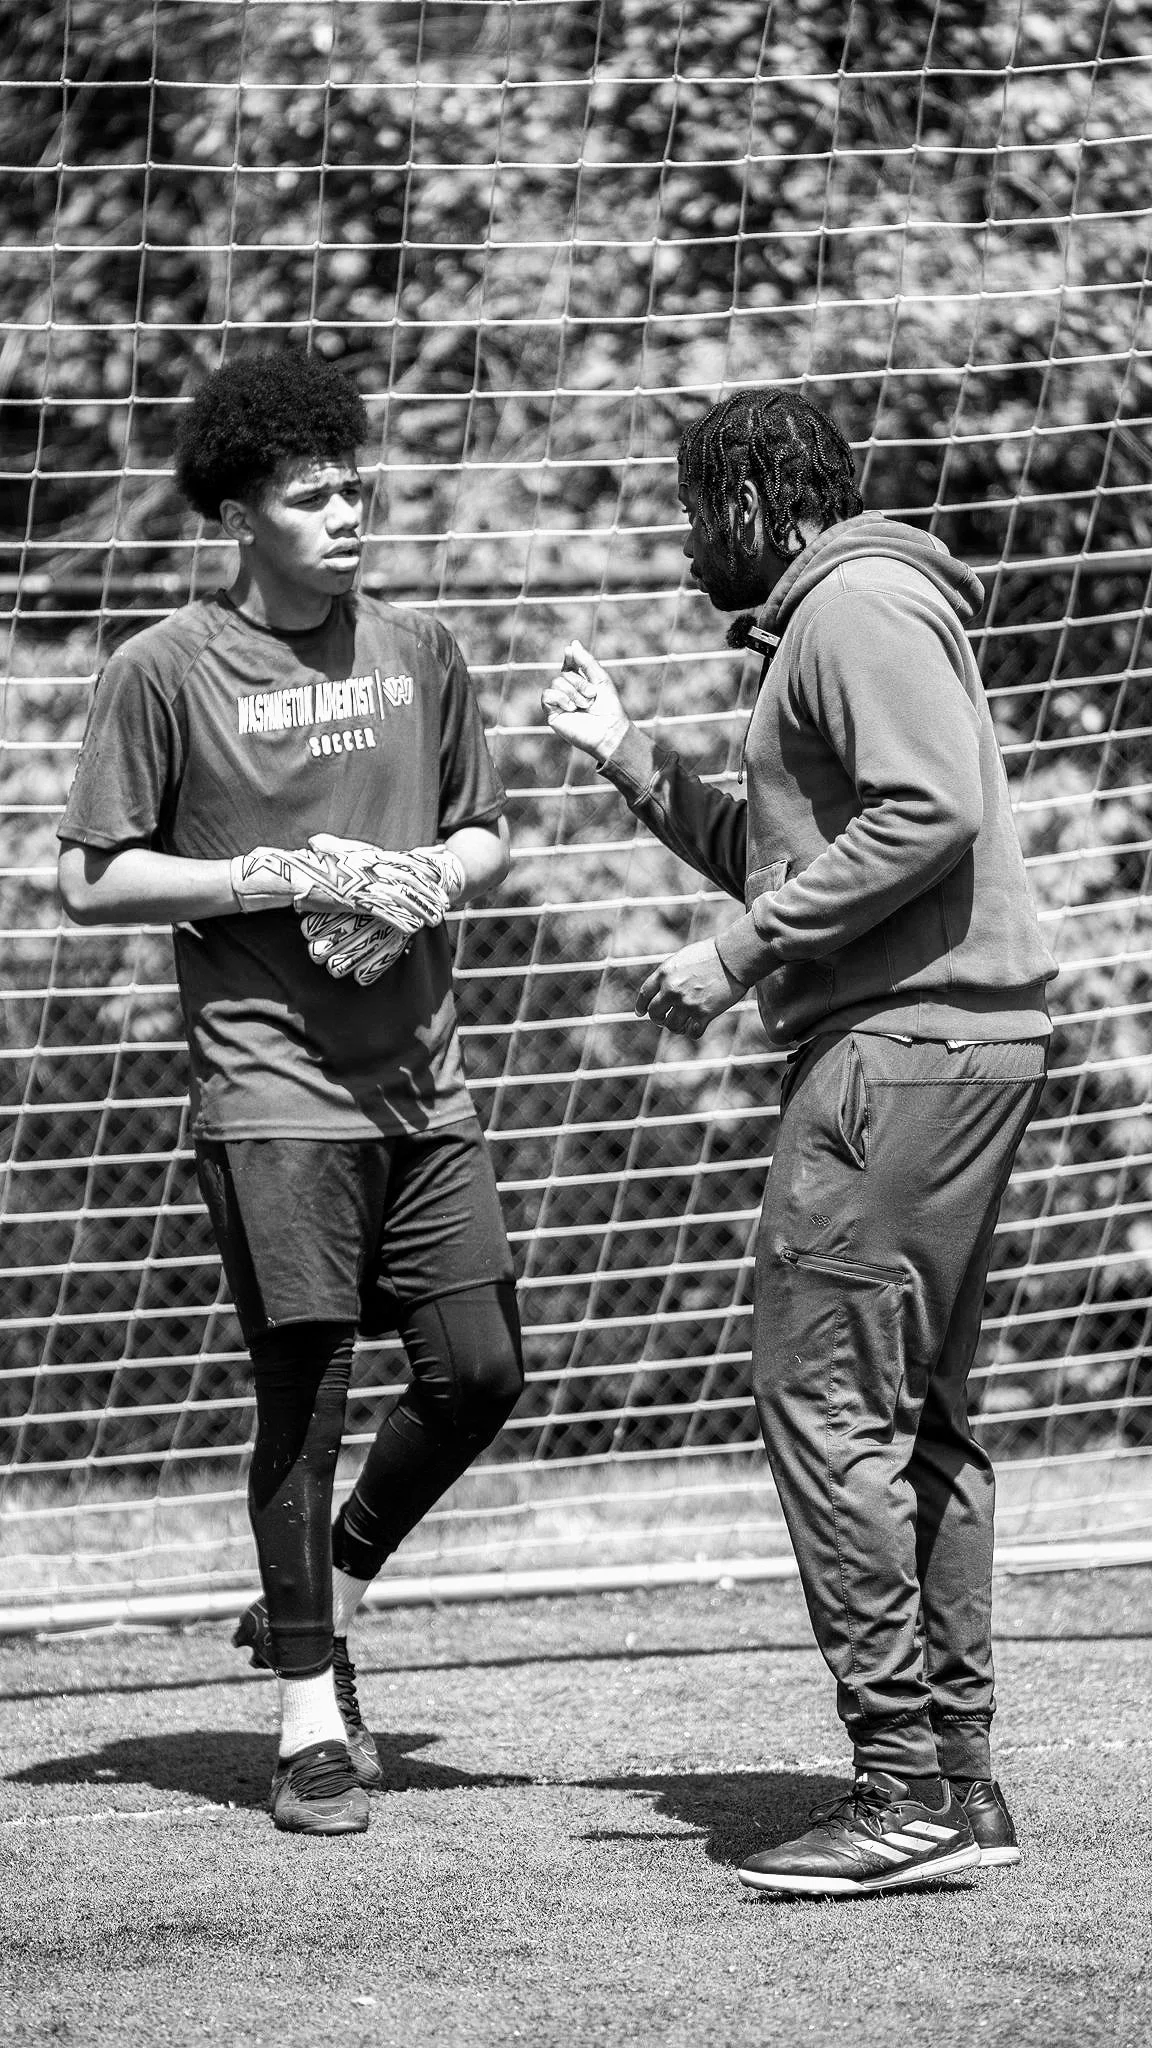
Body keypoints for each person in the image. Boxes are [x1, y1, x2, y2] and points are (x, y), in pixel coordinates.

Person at [542, 387, 1056, 1898]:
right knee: (926, 1421)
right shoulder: (851, 615)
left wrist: (737, 958)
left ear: (766, 503)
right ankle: (960, 1784)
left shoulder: (856, 605)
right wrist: (635, 757)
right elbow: (824, 846)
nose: (691, 538)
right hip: (956, 1044)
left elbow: (930, 813)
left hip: (899, 1054)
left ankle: (898, 1784)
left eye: (703, 510)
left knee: (824, 1405)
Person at [58, 348, 522, 1837]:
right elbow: (91, 881)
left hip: (423, 1086)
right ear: (238, 514)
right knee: (304, 1392)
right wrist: (269, 873)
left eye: (353, 487)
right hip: (267, 1089)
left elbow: (486, 832)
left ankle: (336, 1582)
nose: (348, 512)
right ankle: (310, 1724)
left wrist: (427, 875)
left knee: (480, 1370)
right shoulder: (164, 669)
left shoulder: (423, 648)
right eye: (311, 495)